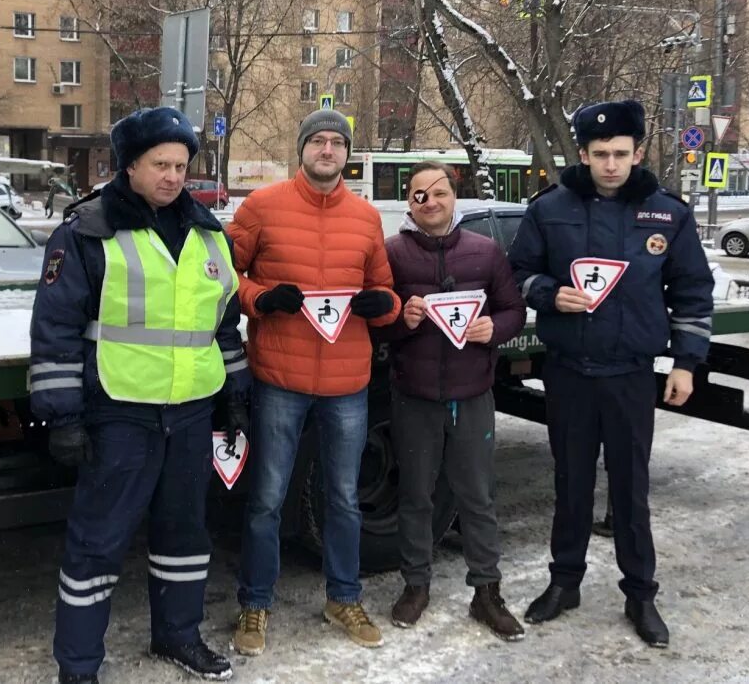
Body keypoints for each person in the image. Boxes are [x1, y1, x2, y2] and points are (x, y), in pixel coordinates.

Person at [30, 107, 250, 683]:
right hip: (119, 412)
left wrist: (235, 392)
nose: (173, 176)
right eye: (161, 164)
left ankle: (177, 636)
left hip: (192, 410)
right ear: (130, 165)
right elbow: (55, 328)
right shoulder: (87, 230)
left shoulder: (207, 231)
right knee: (97, 543)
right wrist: (62, 416)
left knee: (185, 533)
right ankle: (78, 668)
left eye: (181, 165)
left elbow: (221, 322)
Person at [508, 99, 714, 648]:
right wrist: (551, 296)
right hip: (569, 371)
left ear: (638, 152)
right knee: (570, 482)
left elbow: (692, 290)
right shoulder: (550, 207)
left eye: (622, 154)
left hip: (630, 372)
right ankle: (565, 582)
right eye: (600, 154)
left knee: (630, 487)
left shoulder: (667, 212)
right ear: (583, 153)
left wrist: (687, 364)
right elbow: (518, 272)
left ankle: (640, 595)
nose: (611, 165)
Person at [226, 109, 401, 655]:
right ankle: (255, 605)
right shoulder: (262, 206)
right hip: (280, 376)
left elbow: (386, 292)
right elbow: (217, 270)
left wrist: (383, 306)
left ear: (347, 154)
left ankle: (343, 597)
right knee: (267, 498)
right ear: (301, 149)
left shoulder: (367, 218)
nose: (327, 150)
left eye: (337, 143)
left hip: (348, 380)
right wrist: (259, 298)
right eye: (318, 141)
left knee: (345, 498)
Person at [378, 161, 527, 640]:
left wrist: (494, 329)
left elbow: (514, 310)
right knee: (415, 496)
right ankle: (415, 585)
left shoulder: (485, 253)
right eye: (419, 195)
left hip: (472, 394)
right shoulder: (394, 254)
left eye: (438, 192)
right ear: (409, 204)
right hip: (414, 396)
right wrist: (405, 318)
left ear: (453, 195)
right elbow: (379, 322)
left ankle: (487, 592)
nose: (430, 202)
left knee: (477, 497)